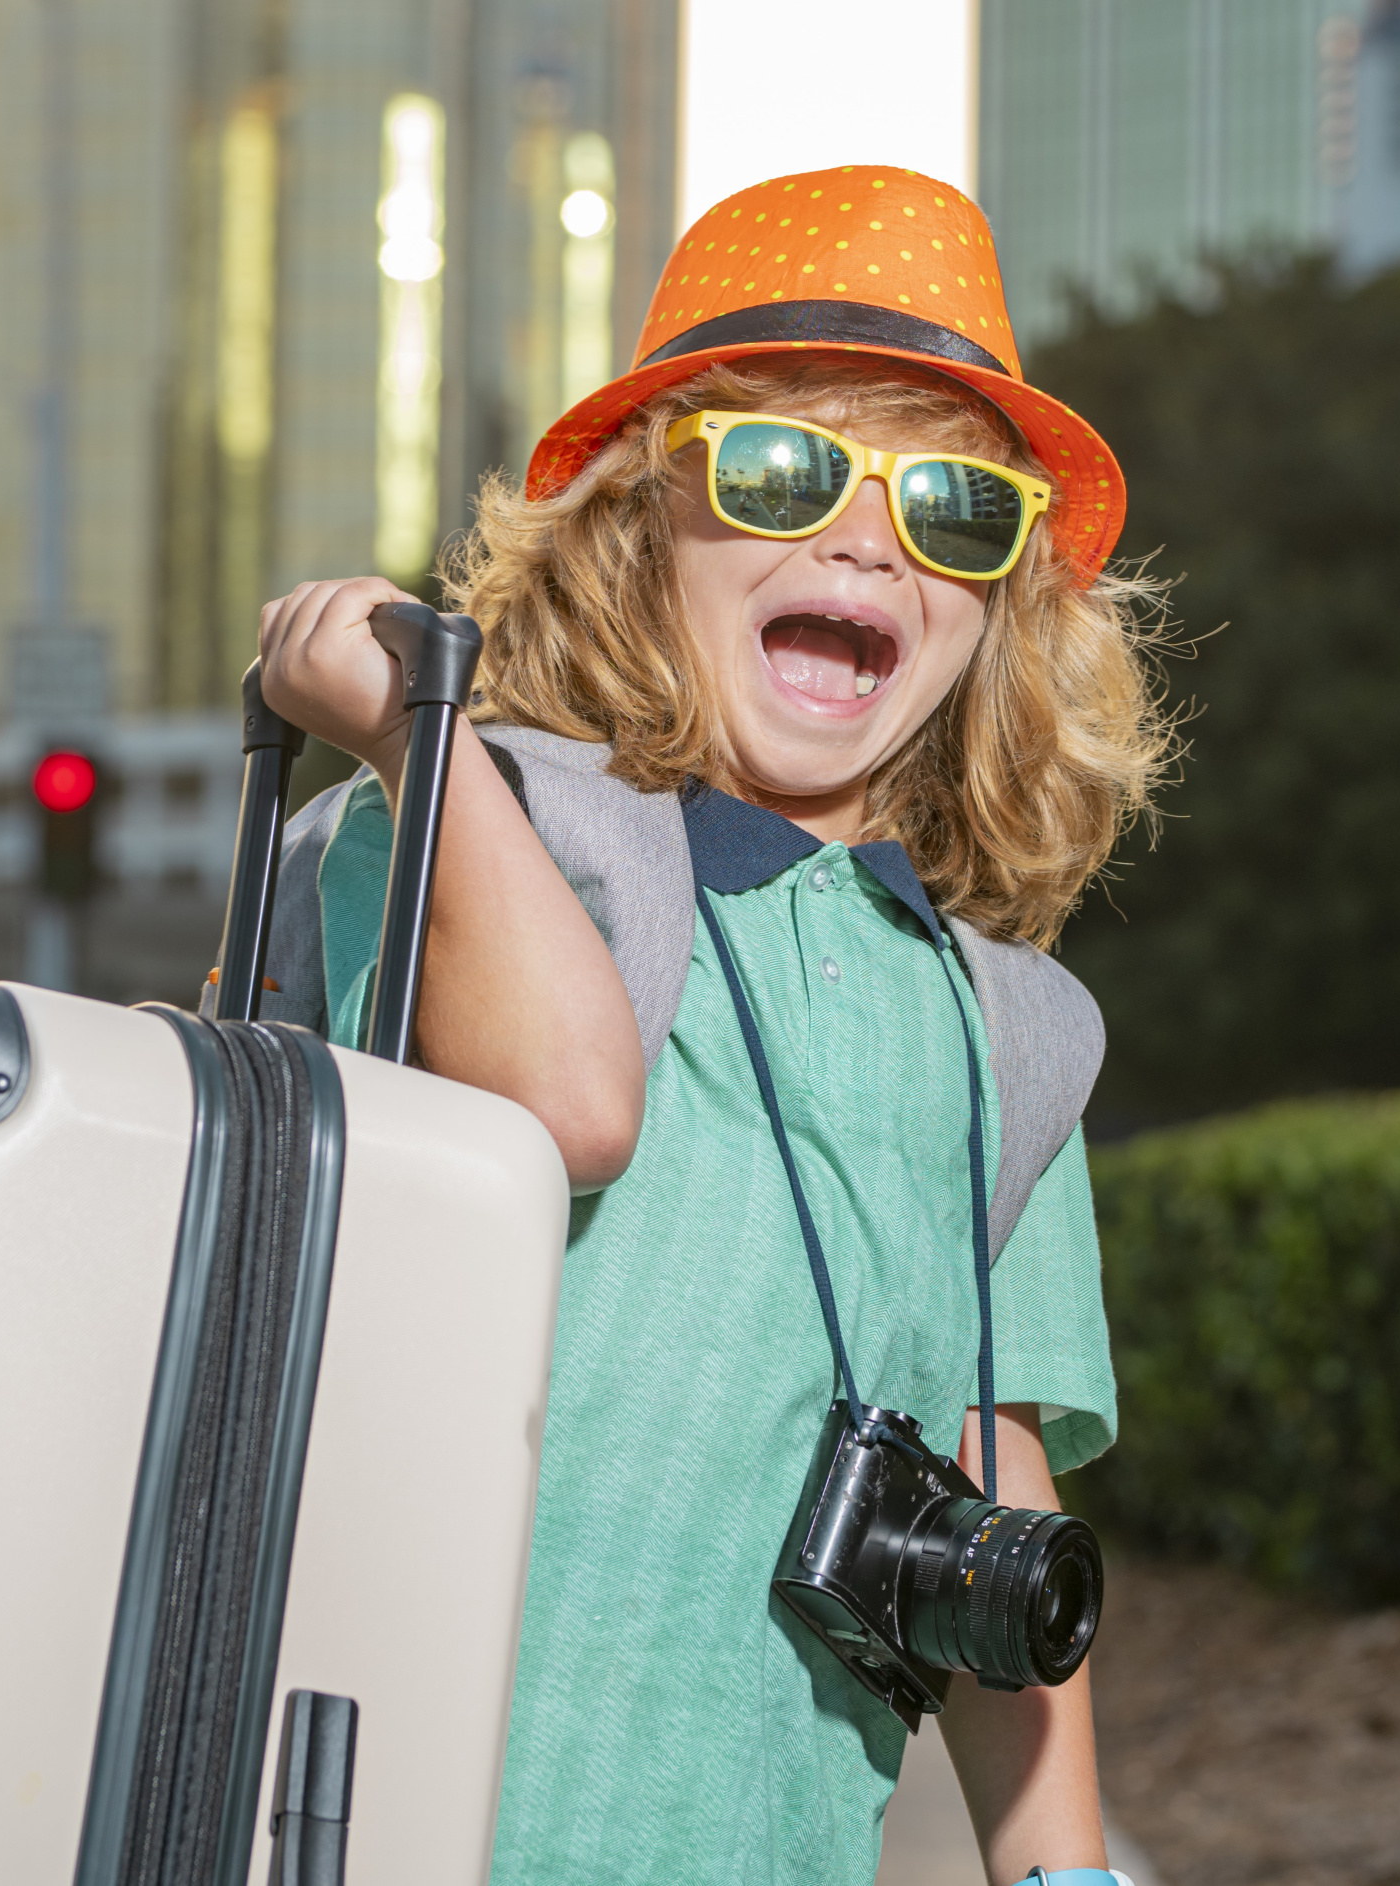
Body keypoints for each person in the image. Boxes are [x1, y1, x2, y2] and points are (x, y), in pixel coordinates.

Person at [251, 166, 1172, 1885]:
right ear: (630, 526)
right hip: (402, 1828)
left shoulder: (1006, 1027)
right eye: (778, 469)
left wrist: (1063, 1872)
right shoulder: (462, 829)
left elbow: (993, 1487)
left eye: (955, 509)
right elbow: (564, 1101)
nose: (863, 537)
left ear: (999, 611)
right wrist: (417, 745)